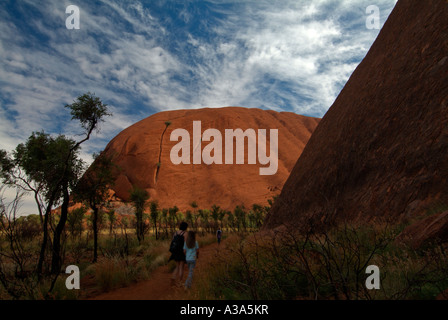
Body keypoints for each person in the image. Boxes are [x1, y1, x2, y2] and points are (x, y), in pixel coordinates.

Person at [169, 221, 188, 286]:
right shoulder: (185, 233)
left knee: (177, 265)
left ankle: (173, 277)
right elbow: (185, 243)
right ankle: (180, 282)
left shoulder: (176, 232)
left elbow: (173, 241)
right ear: (186, 227)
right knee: (181, 266)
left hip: (176, 251)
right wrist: (185, 251)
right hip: (182, 251)